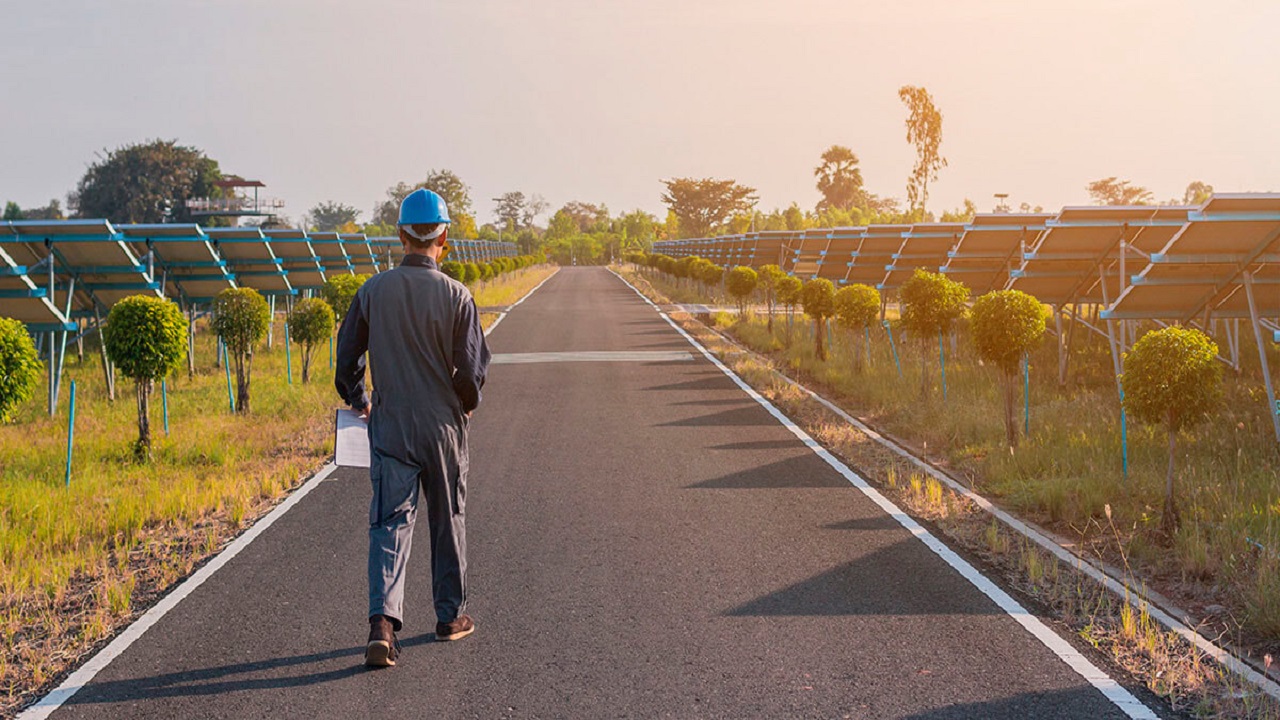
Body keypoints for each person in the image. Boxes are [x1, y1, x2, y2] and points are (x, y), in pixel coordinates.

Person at [335, 188, 491, 668]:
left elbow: (346, 361)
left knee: (389, 525)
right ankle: (450, 618)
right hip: (442, 427)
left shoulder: (372, 291)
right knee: (448, 520)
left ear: (402, 234)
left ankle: (382, 624)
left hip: (392, 426)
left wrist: (360, 401)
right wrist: (462, 407)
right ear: (444, 236)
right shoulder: (457, 295)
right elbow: (471, 372)